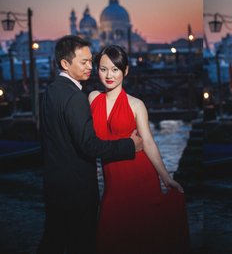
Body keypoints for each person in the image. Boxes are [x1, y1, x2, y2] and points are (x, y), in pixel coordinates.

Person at [37, 35, 143, 254]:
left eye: (90, 61)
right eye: (83, 62)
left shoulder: (51, 91)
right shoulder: (76, 97)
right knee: (81, 245)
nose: (90, 67)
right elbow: (90, 146)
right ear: (65, 64)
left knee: (53, 242)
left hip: (54, 185)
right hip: (76, 190)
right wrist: (129, 146)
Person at [89, 45, 190, 254]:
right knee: (109, 237)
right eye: (103, 68)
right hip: (112, 181)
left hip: (139, 175)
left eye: (115, 69)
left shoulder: (136, 105)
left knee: (141, 239)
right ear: (97, 70)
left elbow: (149, 142)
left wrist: (166, 177)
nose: (109, 75)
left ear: (125, 71)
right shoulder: (92, 98)